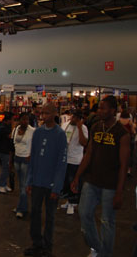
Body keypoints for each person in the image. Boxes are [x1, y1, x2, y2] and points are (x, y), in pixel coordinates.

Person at [71, 96, 130, 257]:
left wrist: (119, 191)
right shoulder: (96, 127)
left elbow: (124, 165)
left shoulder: (122, 133)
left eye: (103, 108)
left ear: (113, 110)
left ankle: (105, 254)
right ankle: (97, 247)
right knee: (84, 214)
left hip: (110, 185)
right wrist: (77, 176)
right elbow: (89, 153)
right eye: (99, 108)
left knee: (107, 222)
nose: (99, 111)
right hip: (92, 180)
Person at [24, 103, 67, 257]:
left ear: (55, 114)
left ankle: (47, 247)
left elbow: (61, 163)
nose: (43, 116)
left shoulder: (60, 134)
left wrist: (57, 187)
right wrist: (29, 181)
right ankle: (36, 243)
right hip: (37, 182)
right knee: (35, 213)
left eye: (46, 113)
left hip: (51, 184)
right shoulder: (38, 132)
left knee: (50, 216)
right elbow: (33, 158)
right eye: (41, 113)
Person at [60, 110, 88, 215]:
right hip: (64, 159)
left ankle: (73, 203)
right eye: (73, 116)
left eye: (77, 117)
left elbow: (84, 143)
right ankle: (69, 200)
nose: (73, 119)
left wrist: (80, 127)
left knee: (73, 182)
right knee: (66, 182)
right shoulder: (65, 125)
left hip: (75, 160)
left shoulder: (83, 128)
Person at [11, 113, 35, 219]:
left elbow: (35, 145)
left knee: (24, 186)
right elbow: (13, 144)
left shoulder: (32, 131)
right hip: (17, 158)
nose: (25, 122)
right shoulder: (16, 129)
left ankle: (21, 209)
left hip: (26, 159)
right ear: (19, 120)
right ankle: (22, 206)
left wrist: (31, 155)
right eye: (23, 119)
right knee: (20, 184)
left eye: (27, 120)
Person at [0, 112, 14, 194]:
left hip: (5, 150)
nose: (13, 121)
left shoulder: (4, 126)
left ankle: (4, 184)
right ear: (8, 120)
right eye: (12, 120)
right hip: (3, 151)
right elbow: (11, 136)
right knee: (5, 169)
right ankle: (0, 185)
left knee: (6, 168)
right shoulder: (3, 128)